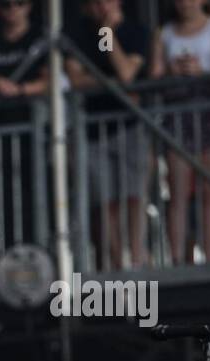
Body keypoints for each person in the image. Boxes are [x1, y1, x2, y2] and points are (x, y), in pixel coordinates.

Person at [66, 0, 152, 270]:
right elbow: (74, 80)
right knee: (105, 202)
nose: (101, 5)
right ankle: (118, 263)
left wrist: (107, 34)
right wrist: (110, 83)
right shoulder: (77, 35)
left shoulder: (136, 32)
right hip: (91, 130)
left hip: (129, 126)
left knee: (134, 197)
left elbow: (127, 72)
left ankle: (136, 258)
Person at [150, 0, 210, 265]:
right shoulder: (163, 33)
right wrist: (172, 73)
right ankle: (177, 259)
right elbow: (153, 76)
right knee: (178, 190)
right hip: (177, 116)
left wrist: (202, 72)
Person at [0, 0, 50, 253]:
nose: (12, 9)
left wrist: (19, 90)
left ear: (29, 6)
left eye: (19, 3)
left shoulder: (41, 38)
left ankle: (43, 256)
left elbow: (56, 79)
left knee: (40, 197)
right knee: (2, 203)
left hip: (38, 135)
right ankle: (10, 259)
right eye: (5, 4)